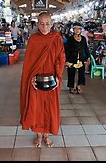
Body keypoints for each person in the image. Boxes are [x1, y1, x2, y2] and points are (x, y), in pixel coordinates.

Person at [20, 12, 65, 147]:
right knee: (36, 108)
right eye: (42, 23)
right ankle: (39, 136)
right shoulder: (33, 40)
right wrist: (31, 78)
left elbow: (61, 58)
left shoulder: (56, 38)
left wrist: (58, 76)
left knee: (50, 108)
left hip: (52, 80)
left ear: (52, 24)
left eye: (47, 23)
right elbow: (29, 62)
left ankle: (47, 135)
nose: (45, 27)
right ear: (37, 24)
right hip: (36, 80)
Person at [65, 22, 90, 94]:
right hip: (72, 59)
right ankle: (71, 87)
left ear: (81, 30)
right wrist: (66, 60)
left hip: (81, 59)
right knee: (71, 73)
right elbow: (67, 50)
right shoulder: (70, 39)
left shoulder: (83, 39)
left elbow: (86, 48)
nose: (77, 30)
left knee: (81, 73)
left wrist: (88, 57)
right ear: (73, 30)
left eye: (78, 29)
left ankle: (78, 86)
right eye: (75, 29)